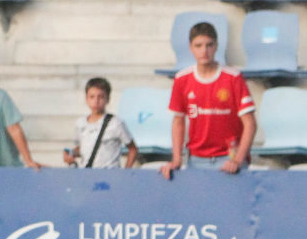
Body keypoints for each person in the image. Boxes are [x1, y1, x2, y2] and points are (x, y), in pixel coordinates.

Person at [160, 22, 256, 180]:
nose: (204, 51)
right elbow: (178, 121)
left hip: (228, 159)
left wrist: (238, 160)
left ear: (216, 46)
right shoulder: (182, 79)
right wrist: (177, 159)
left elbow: (250, 123)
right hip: (196, 160)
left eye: (209, 45)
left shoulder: (233, 78)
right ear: (191, 48)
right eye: (198, 46)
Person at [62, 77, 138, 168]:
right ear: (86, 99)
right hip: (87, 174)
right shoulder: (80, 123)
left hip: (109, 175)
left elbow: (132, 149)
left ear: (108, 99)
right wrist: (71, 154)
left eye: (101, 97)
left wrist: (126, 172)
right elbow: (84, 148)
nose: (96, 101)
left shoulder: (116, 123)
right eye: (92, 97)